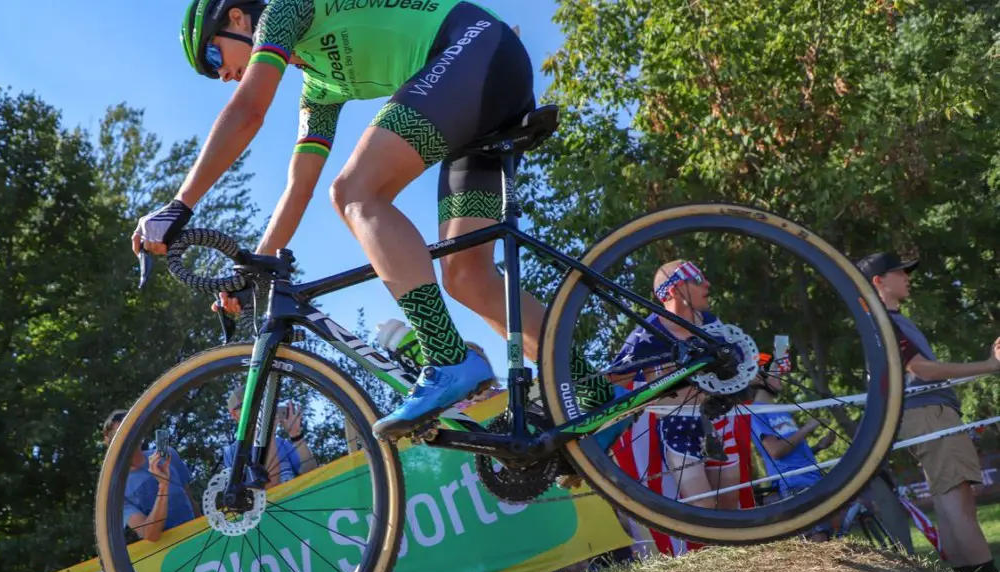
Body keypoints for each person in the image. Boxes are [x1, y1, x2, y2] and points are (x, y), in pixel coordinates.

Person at [134, 0, 613, 440]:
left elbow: (249, 111)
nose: (221, 77)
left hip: (471, 47)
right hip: (479, 80)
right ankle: (596, 398)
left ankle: (446, 356)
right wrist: (251, 271)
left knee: (354, 192)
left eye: (213, 59)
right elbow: (298, 187)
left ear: (237, 18)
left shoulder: (283, 10)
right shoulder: (318, 89)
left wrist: (180, 204)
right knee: (468, 277)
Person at [857, 250, 1000, 572]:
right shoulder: (885, 322)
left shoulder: (886, 320)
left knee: (949, 501)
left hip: (924, 415)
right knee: (958, 503)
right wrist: (992, 365)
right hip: (929, 414)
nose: (908, 277)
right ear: (879, 281)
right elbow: (922, 370)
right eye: (900, 272)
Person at [608, 260, 742, 509]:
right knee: (702, 507)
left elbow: (740, 364)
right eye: (699, 280)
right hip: (677, 425)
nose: (708, 284)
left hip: (718, 418)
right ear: (674, 290)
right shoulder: (646, 334)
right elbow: (614, 382)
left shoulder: (711, 321)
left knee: (730, 502)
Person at [747, 363, 838, 541]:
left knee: (827, 535)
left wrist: (819, 447)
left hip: (812, 479)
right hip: (794, 484)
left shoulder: (780, 410)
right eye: (775, 375)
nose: (782, 379)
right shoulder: (757, 413)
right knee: (817, 538)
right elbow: (775, 451)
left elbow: (792, 452)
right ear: (760, 379)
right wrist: (806, 428)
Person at [102, 410, 199, 542]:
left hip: (199, 538)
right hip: (169, 555)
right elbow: (150, 534)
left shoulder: (168, 456)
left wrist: (204, 528)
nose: (128, 437)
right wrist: (163, 486)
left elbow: (189, 497)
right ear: (110, 442)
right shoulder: (116, 491)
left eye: (132, 429)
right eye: (120, 435)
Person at [221, 393, 317, 487]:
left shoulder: (282, 443)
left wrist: (296, 435)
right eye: (248, 404)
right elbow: (268, 489)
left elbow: (312, 474)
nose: (257, 408)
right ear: (234, 415)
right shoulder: (233, 452)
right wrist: (267, 434)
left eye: (260, 403)